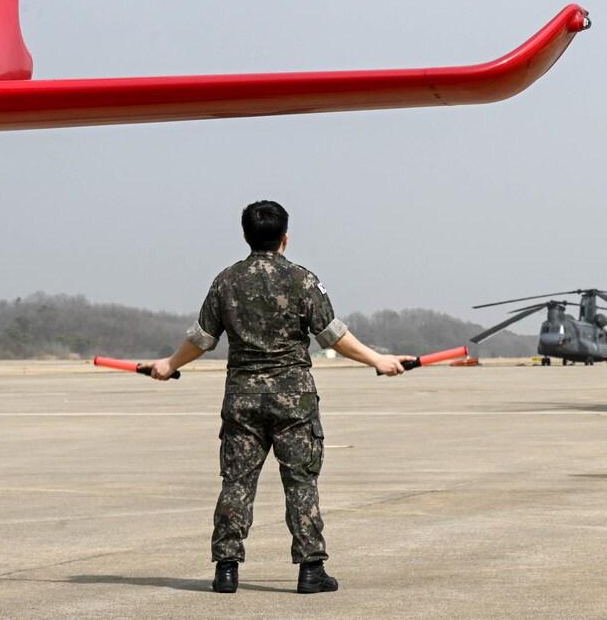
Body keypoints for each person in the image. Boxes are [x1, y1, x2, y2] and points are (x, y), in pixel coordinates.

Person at [144, 200, 414, 595]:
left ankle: (226, 569)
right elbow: (332, 336)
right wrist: (377, 359)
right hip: (294, 400)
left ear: (245, 236)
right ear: (285, 237)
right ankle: (310, 569)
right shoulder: (302, 280)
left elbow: (202, 338)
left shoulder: (226, 281)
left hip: (243, 399)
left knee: (236, 482)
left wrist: (169, 364)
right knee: (300, 482)